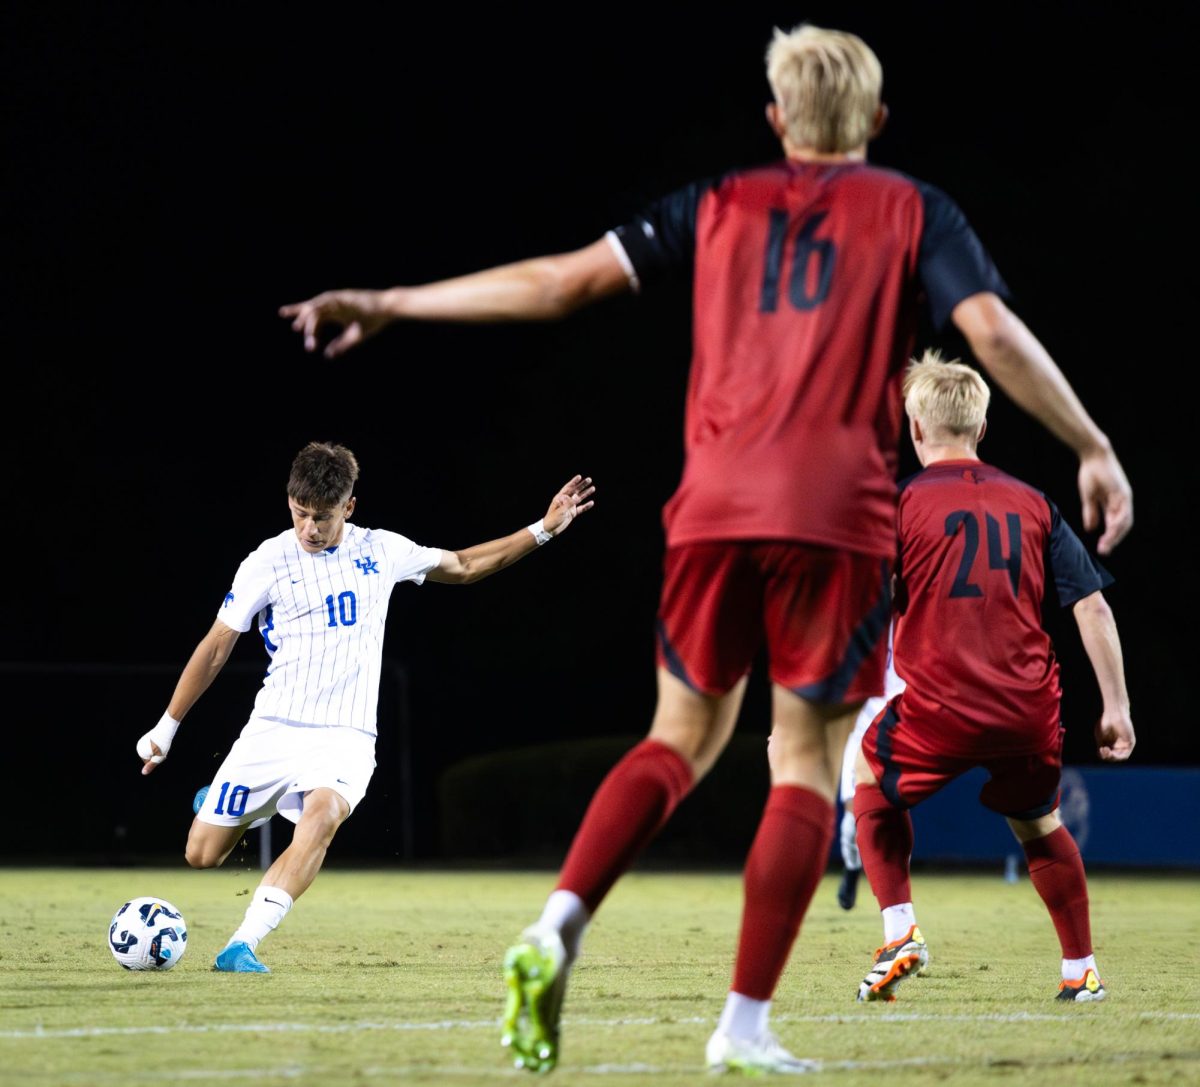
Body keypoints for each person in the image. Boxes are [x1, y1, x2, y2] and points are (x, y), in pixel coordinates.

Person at [279, 23, 1133, 1074]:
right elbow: (993, 331)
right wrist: (1091, 443)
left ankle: (556, 925)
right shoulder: (914, 209)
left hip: (712, 508)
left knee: (676, 736)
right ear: (874, 121)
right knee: (807, 761)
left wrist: (395, 301)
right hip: (836, 516)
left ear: (776, 121)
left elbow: (559, 282)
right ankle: (742, 1026)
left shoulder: (717, 202)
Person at [137, 441, 593, 973]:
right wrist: (167, 726)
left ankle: (243, 944)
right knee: (202, 855)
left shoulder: (381, 551)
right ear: (290, 502)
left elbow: (465, 565)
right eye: (301, 514)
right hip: (274, 727)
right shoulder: (266, 561)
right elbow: (217, 645)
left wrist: (543, 529)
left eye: (323, 517)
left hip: (347, 735)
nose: (310, 528)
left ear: (349, 507)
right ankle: (219, 804)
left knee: (322, 815)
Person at [852, 352, 1133, 1006]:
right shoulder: (1035, 503)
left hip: (940, 705)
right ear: (981, 430)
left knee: (871, 785)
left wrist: (801, 715)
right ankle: (1080, 970)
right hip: (1029, 707)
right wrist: (1116, 706)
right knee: (1039, 821)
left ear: (916, 429)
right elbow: (1092, 606)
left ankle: (900, 932)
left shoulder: (898, 505)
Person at [835, 627, 904, 912]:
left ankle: (899, 911)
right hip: (863, 726)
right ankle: (852, 869)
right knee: (853, 826)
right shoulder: (861, 606)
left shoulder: (918, 604)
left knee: (892, 819)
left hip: (907, 721)